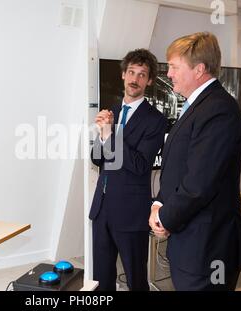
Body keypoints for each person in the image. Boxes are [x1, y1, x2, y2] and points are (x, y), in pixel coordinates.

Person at [149, 32, 241, 291]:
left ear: (199, 69)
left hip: (209, 248)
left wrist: (165, 218)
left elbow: (199, 184)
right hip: (193, 244)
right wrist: (159, 203)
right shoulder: (198, 107)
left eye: (173, 67)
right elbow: (178, 167)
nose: (168, 73)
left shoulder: (218, 110)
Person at [90, 48, 167, 291]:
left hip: (131, 213)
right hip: (102, 210)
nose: (134, 79)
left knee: (136, 280)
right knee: (102, 279)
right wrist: (102, 137)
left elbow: (140, 165)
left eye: (142, 75)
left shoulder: (155, 120)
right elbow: (97, 159)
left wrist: (110, 134)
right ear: (123, 74)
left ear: (150, 80)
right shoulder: (111, 110)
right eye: (131, 72)